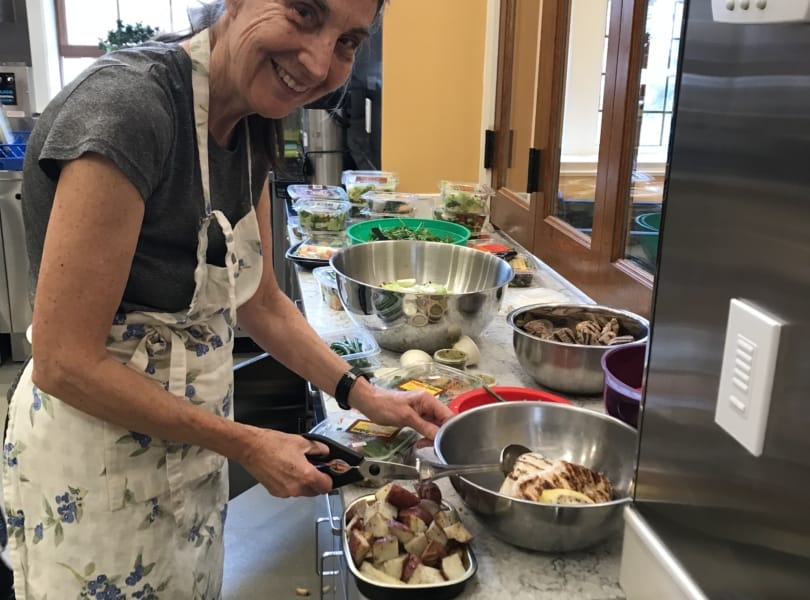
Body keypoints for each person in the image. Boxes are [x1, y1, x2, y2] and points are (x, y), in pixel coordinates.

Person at [1, 0, 453, 597]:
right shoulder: (131, 110)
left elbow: (258, 301)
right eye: (304, 12)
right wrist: (246, 442)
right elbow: (65, 362)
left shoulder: (249, 120)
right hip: (96, 467)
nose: (319, 62)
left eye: (348, 41)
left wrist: (364, 395)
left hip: (188, 454)